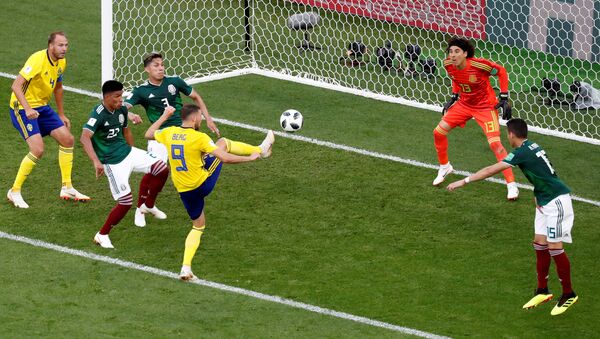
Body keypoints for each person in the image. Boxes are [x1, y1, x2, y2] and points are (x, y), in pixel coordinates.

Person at [447, 118, 577, 316]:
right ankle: (542, 290)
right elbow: (544, 171)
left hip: (556, 202)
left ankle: (569, 294)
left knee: (554, 247)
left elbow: (491, 170)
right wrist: (537, 194)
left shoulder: (521, 152)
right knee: (539, 242)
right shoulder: (532, 146)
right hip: (543, 200)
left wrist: (464, 181)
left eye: (506, 133)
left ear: (511, 135)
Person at [145, 103, 275, 280]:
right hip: (202, 183)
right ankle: (261, 150)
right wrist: (249, 159)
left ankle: (185, 268)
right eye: (200, 117)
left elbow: (148, 134)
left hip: (184, 190)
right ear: (194, 118)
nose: (201, 119)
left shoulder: (169, 133)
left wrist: (164, 117)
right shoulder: (199, 137)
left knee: (198, 226)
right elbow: (225, 159)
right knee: (223, 144)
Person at [123, 51, 220, 228]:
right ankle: (141, 208)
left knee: (217, 153)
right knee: (155, 171)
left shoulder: (174, 81)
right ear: (147, 69)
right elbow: (122, 107)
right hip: (161, 135)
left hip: (184, 132)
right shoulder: (141, 91)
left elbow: (196, 97)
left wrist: (209, 119)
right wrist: (130, 114)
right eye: (156, 65)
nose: (160, 68)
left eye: (161, 64)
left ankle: (256, 151)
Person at [80, 80, 170, 249]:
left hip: (127, 152)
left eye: (122, 95)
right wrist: (96, 162)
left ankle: (148, 205)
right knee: (125, 202)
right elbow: (84, 137)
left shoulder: (121, 109)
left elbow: (126, 131)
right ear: (106, 97)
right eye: (117, 96)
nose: (121, 99)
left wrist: (132, 149)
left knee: (162, 168)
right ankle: (102, 235)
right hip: (112, 162)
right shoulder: (98, 114)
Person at [8, 31, 89, 208]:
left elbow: (58, 87)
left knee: (67, 139)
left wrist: (61, 113)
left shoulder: (61, 62)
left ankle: (67, 187)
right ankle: (14, 191)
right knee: (37, 149)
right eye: (60, 45)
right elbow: (16, 85)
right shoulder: (37, 60)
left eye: (66, 45)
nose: (64, 49)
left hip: (42, 107)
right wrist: (27, 108)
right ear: (50, 46)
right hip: (21, 108)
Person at [433, 37, 519, 201]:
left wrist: (504, 97)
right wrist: (454, 95)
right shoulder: (448, 65)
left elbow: (501, 71)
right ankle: (445, 166)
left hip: (485, 107)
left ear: (465, 53)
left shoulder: (480, 65)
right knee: (438, 132)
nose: (453, 55)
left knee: (496, 144)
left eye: (457, 51)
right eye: (451, 51)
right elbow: (456, 79)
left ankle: (511, 184)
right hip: (464, 104)